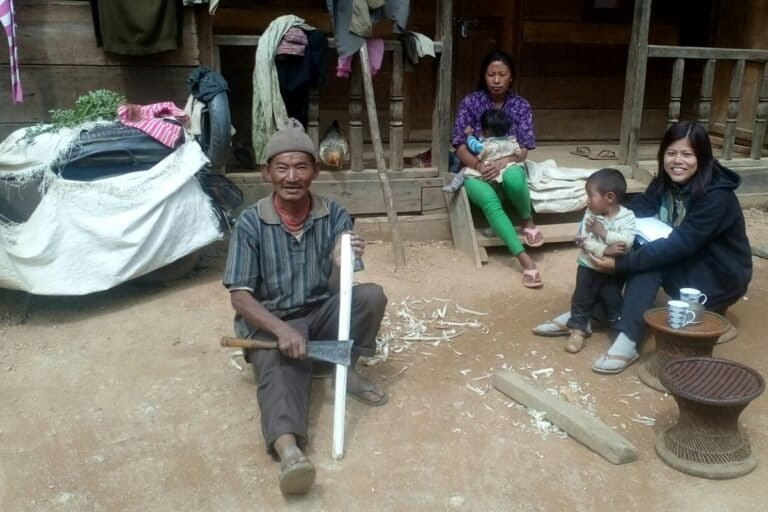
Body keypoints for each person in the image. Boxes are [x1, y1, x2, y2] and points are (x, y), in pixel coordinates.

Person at [223, 118, 388, 495]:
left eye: (301, 166)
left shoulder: (335, 217)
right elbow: (240, 296)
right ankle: (290, 453)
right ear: (268, 173)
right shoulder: (250, 223)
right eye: (282, 167)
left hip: (320, 311)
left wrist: (338, 261)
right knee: (278, 369)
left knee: (370, 296)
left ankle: (345, 365)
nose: (292, 176)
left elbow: (340, 292)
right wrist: (282, 330)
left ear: (315, 170)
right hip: (272, 320)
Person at [533, 121, 752, 374]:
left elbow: (680, 245)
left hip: (716, 277)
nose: (677, 161)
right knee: (621, 242)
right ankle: (585, 314)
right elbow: (634, 212)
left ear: (702, 157)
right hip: (687, 260)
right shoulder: (666, 182)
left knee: (651, 258)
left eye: (687, 154)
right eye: (671, 153)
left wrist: (620, 263)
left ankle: (628, 337)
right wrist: (605, 225)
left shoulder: (717, 197)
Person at [452, 50, 543, 288]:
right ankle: (524, 259)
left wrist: (505, 161)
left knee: (514, 179)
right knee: (489, 200)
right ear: (484, 76)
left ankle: (527, 221)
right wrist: (479, 165)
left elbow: (523, 148)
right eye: (491, 74)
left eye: (502, 74)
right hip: (475, 169)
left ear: (511, 77)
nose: (496, 80)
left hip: (508, 162)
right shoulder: (471, 103)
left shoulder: (520, 105)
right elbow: (459, 145)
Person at [564, 168, 636, 354]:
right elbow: (582, 240)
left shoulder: (627, 217)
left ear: (609, 198)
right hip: (588, 266)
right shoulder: (590, 214)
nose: (587, 200)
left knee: (612, 300)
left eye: (590, 195)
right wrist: (605, 249)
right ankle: (577, 331)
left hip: (613, 272)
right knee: (581, 298)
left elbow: (626, 242)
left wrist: (603, 233)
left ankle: (618, 333)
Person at [443, 108, 522, 193]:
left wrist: (469, 135)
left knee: (464, 171)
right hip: (504, 170)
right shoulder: (511, 141)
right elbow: (518, 153)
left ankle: (453, 186)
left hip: (486, 169)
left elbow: (473, 145)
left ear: (487, 132)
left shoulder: (485, 145)